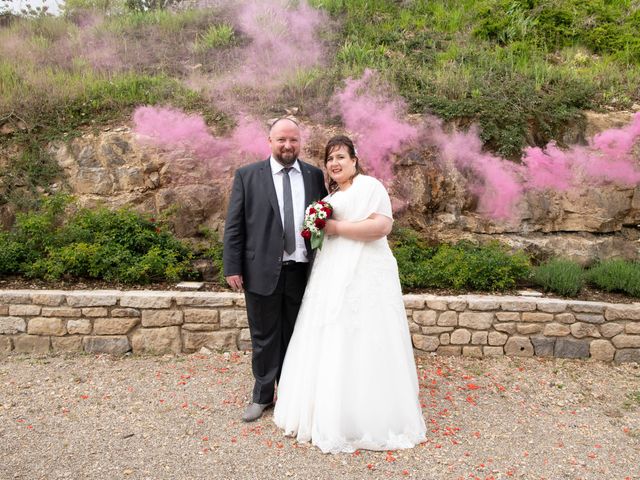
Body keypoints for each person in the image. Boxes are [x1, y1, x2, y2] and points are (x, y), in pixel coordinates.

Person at [273, 135, 427, 453]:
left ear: (354, 160)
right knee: (333, 334)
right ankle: (330, 409)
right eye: (330, 159)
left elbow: (381, 226)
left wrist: (336, 229)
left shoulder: (370, 187)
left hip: (366, 273)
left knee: (366, 336)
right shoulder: (328, 198)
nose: (335, 163)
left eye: (341, 156)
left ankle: (366, 414)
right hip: (331, 273)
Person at [223, 117, 328, 422]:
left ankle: (294, 394)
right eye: (281, 139)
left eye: (293, 139)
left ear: (300, 142)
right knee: (264, 336)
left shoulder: (312, 175)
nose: (287, 145)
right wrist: (233, 266)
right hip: (260, 269)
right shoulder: (248, 175)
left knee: (297, 335)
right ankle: (262, 395)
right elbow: (235, 226)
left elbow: (321, 219)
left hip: (301, 270)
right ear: (269, 142)